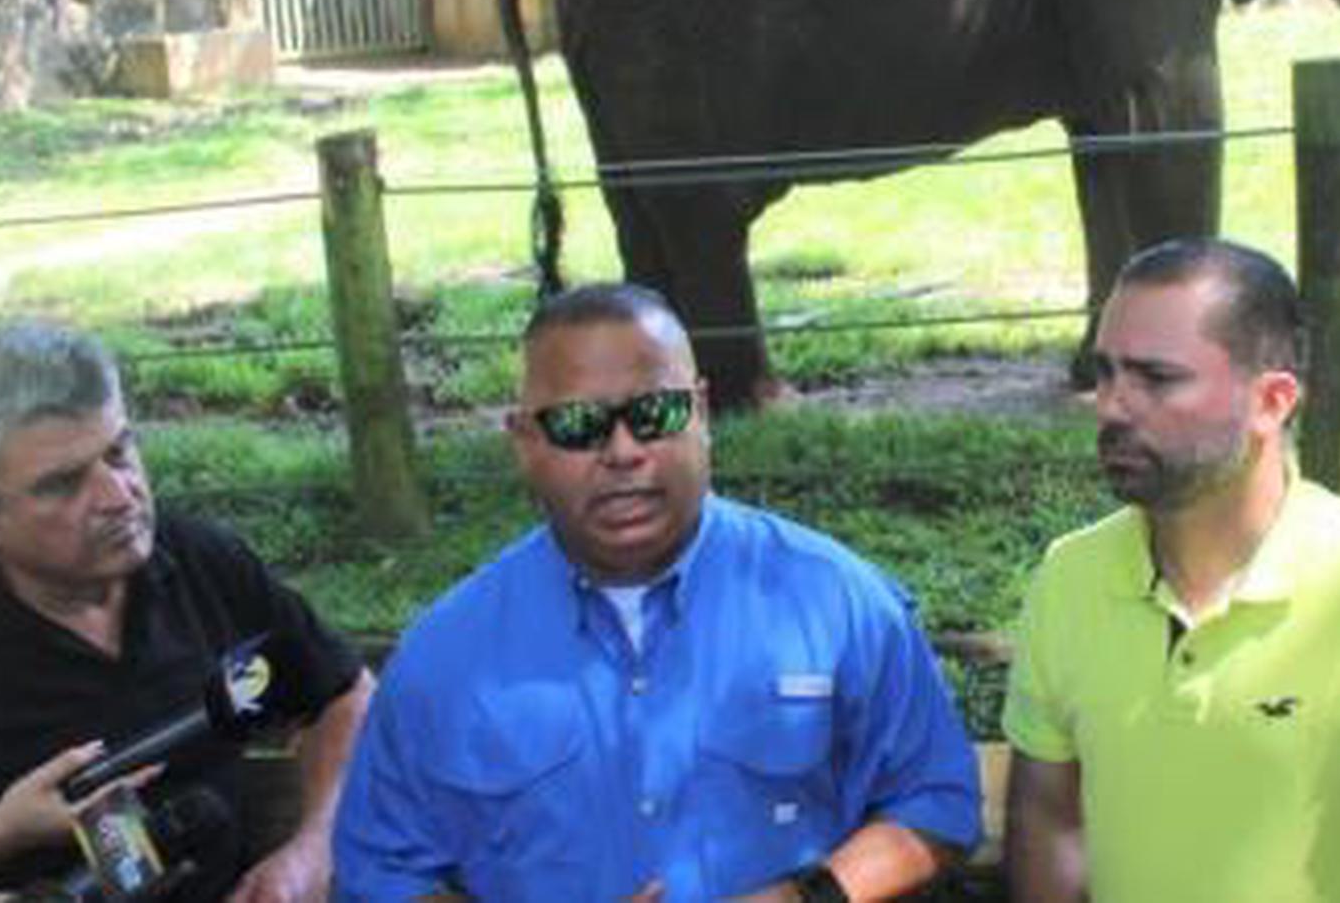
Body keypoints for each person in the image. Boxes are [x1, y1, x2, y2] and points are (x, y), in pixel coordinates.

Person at [333, 283, 980, 902]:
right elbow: (380, 874)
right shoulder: (446, 657)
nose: (623, 451)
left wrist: (804, 898)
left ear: (700, 414)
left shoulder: (837, 602)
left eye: (655, 414)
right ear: (525, 443)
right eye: (579, 424)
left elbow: (937, 802)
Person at [1003, 238, 1340, 903]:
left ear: (1271, 402)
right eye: (1103, 372)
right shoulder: (1069, 578)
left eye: (1156, 378)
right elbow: (1048, 818)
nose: (1112, 405)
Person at [0, 322, 375, 903]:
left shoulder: (199, 563)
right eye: (62, 484)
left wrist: (312, 849)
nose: (118, 494)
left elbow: (343, 692)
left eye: (119, 450)